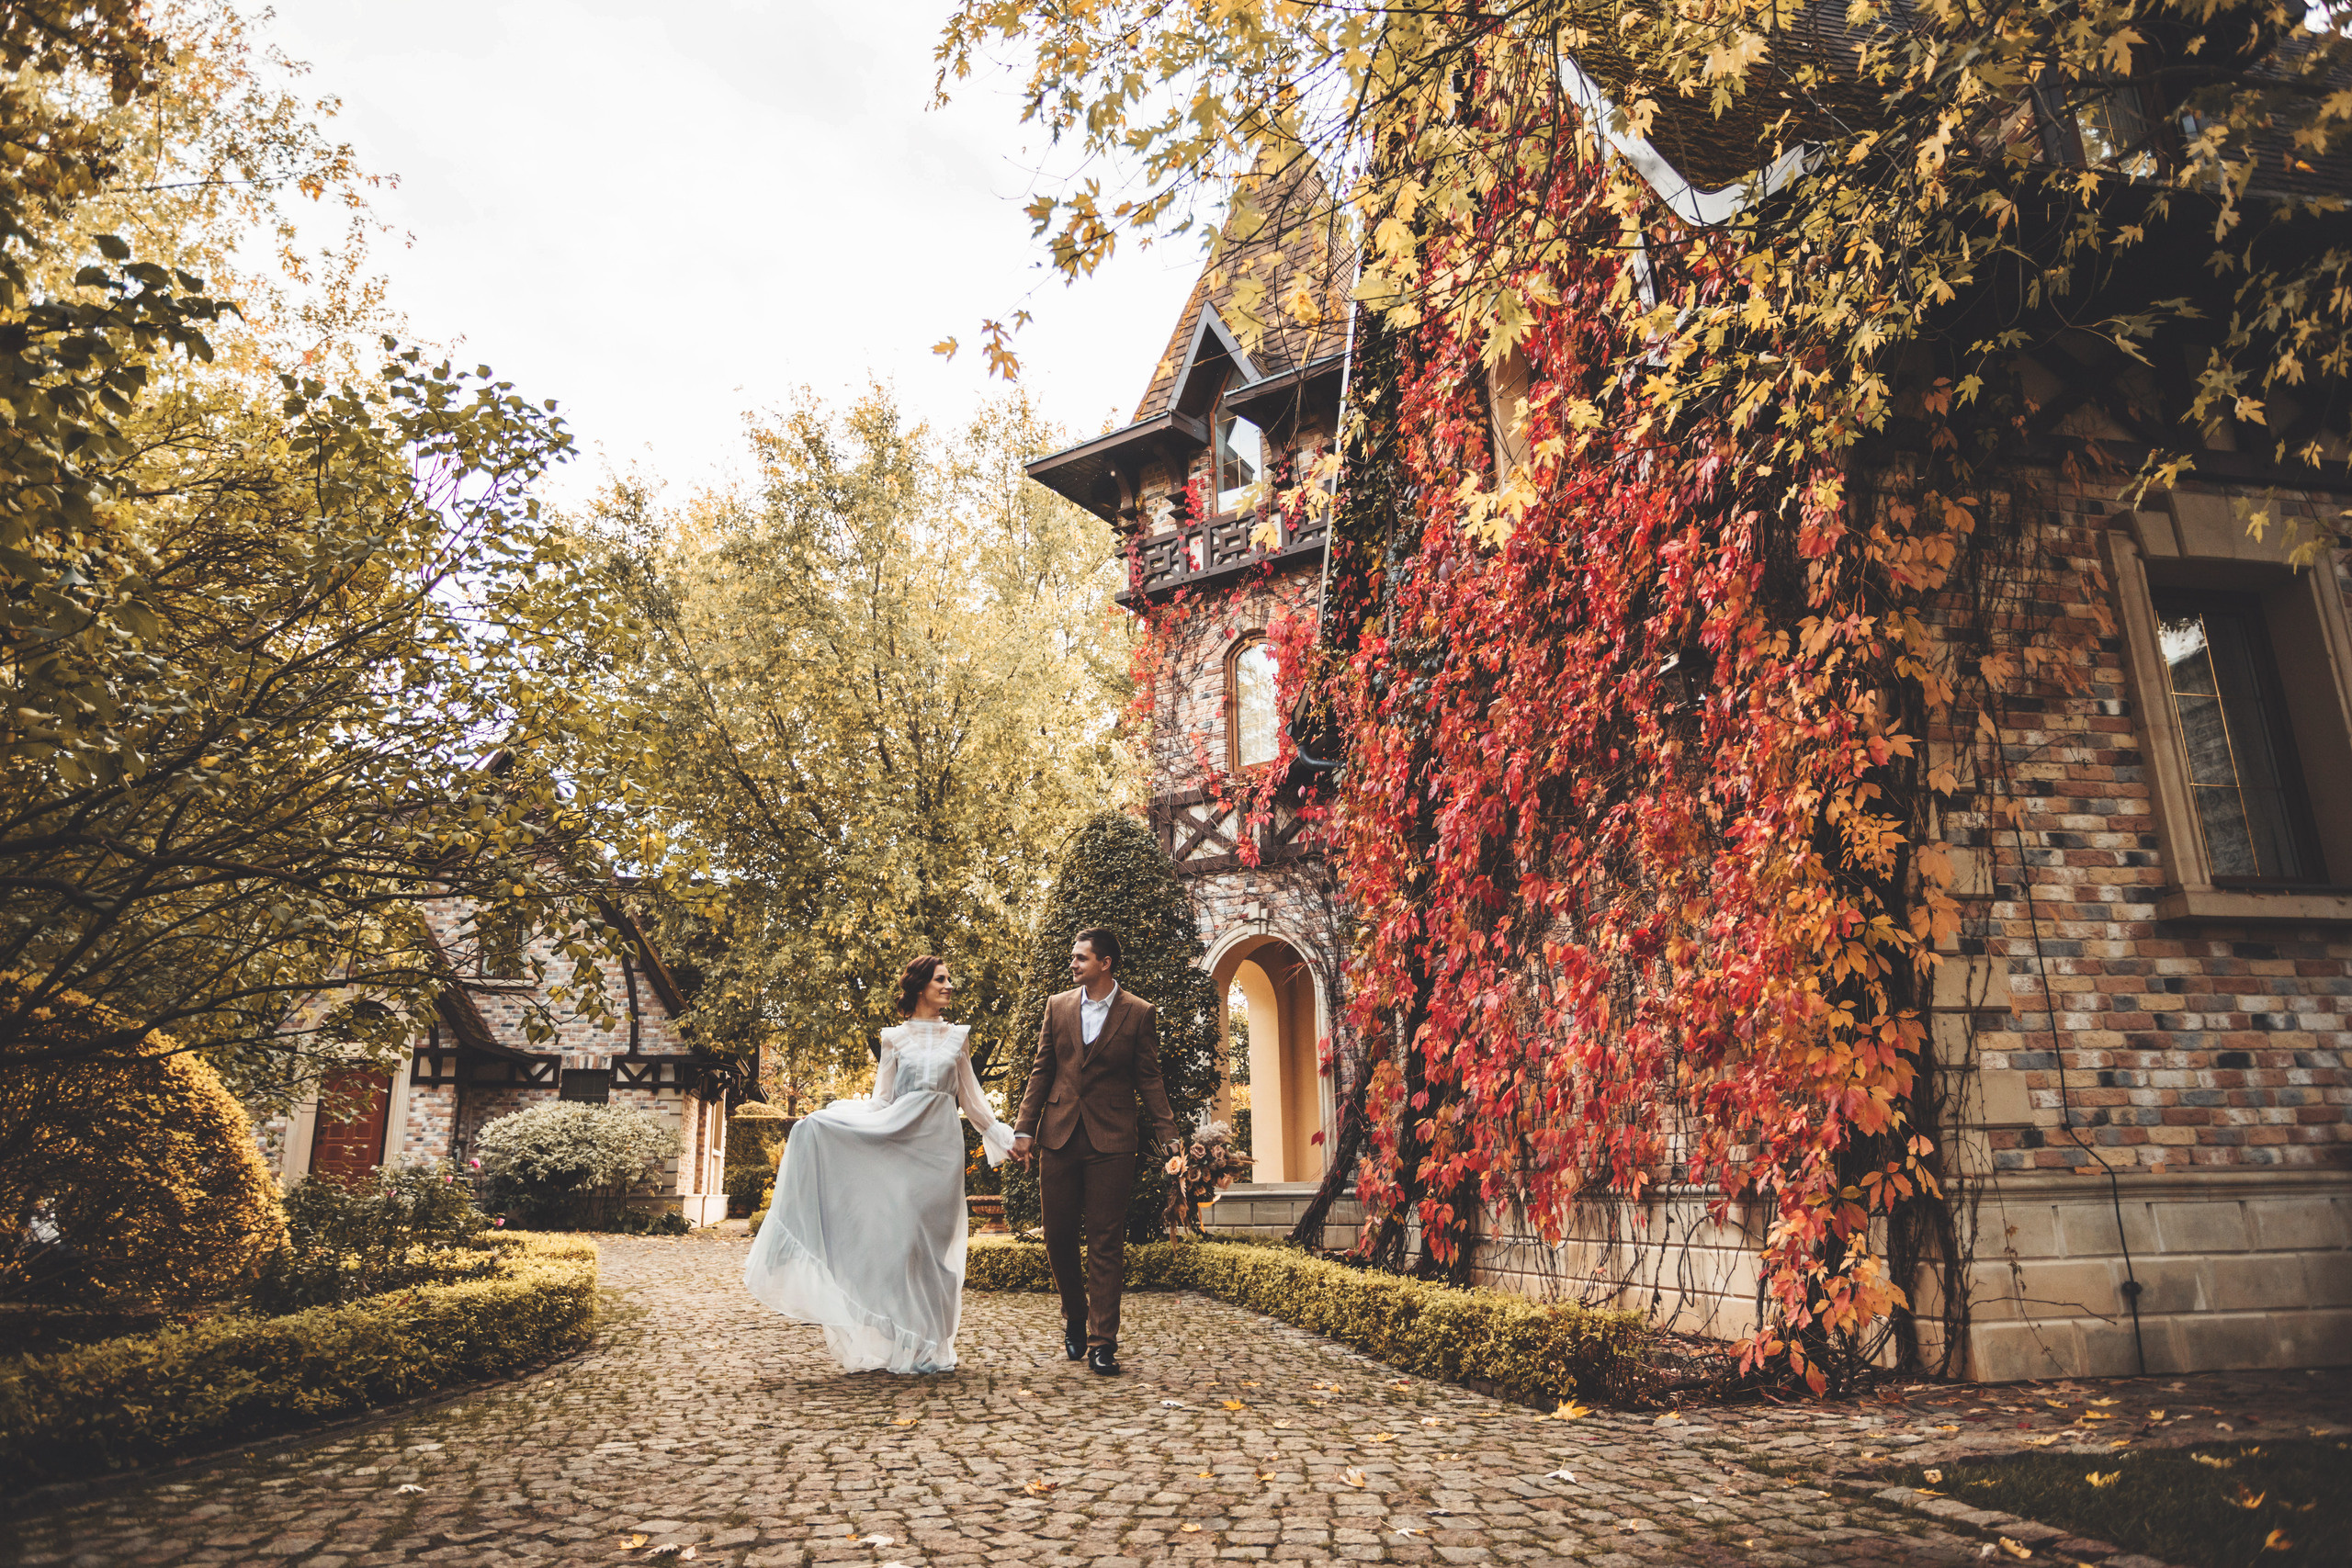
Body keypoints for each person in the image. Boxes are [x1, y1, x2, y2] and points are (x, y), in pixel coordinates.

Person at [743, 954, 1015, 1373]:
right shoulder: (893, 1038)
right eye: (941, 980)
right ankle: (904, 1341)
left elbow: (974, 1102)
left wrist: (1004, 1137)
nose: (949, 986)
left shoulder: (958, 1037)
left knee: (935, 1251)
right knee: (901, 1242)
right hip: (899, 1143)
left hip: (940, 1151)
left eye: (949, 980)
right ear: (921, 986)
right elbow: (882, 1101)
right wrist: (830, 1123)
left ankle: (932, 1343)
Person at [1007, 926, 1182, 1376]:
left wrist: (1170, 1135)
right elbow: (1042, 1069)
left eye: (1081, 957)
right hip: (1059, 1135)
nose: (1073, 963)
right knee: (1057, 1235)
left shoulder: (1139, 1013)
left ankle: (1104, 1341)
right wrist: (1024, 1129)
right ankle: (1076, 1313)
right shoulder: (1057, 1006)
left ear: (1105, 963)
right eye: (1073, 957)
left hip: (1113, 1140)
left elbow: (1150, 1078)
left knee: (1106, 1242)